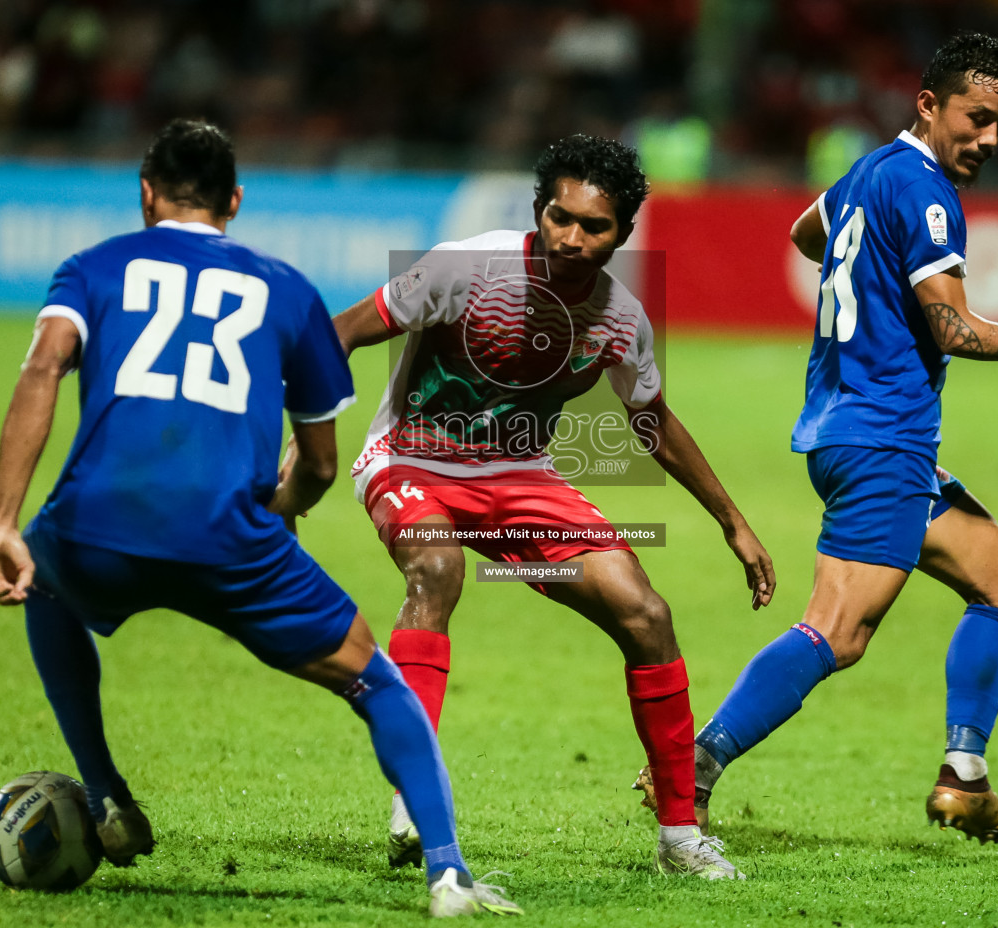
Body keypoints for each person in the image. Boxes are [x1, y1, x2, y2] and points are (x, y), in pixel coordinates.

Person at [0, 119, 520, 917]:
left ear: (146, 194)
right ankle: (446, 874)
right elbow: (322, 463)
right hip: (231, 536)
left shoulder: (92, 267)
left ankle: (105, 793)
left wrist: (0, 523)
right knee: (376, 680)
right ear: (234, 199)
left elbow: (44, 366)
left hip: (96, 526)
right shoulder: (287, 289)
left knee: (45, 587)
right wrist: (276, 513)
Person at [641, 32, 998, 844]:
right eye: (975, 118)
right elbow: (955, 329)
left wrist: (864, 285)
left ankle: (963, 779)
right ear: (927, 105)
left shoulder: (867, 171)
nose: (989, 139)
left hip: (853, 430)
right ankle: (692, 766)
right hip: (879, 437)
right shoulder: (926, 193)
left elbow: (804, 233)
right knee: (838, 629)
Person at [326, 134, 773, 881]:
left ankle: (678, 836)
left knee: (647, 615)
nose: (570, 237)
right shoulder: (463, 267)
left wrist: (732, 521)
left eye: (593, 227)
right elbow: (339, 334)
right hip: (409, 461)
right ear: (539, 209)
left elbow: (651, 421)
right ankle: (414, 794)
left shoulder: (619, 319)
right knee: (436, 571)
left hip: (518, 480)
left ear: (623, 233)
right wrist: (301, 449)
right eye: (558, 217)